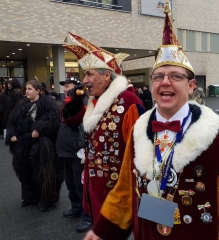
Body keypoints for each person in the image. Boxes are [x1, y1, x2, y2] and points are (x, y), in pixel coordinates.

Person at [84, 2, 219, 240]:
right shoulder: (140, 130)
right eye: (158, 76)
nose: (165, 82)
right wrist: (102, 230)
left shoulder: (214, 135)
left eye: (175, 76)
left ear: (190, 86)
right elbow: (126, 189)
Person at [63, 32, 145, 226]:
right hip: (95, 182)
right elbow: (71, 121)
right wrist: (74, 102)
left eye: (89, 74)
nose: (84, 80)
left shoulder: (129, 102)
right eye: (85, 75)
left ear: (107, 75)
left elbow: (141, 150)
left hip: (118, 188)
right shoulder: (93, 101)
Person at [6, 79, 64, 212]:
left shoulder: (48, 103)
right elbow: (12, 121)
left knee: (44, 173)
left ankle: (48, 200)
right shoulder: (21, 104)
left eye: (30, 89)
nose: (26, 91)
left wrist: (39, 128)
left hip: (42, 144)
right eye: (26, 89)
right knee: (25, 172)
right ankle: (30, 197)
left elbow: (53, 120)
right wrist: (12, 134)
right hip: (23, 143)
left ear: (38, 91)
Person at [56, 76, 92, 233]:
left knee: (81, 186)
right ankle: (76, 208)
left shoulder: (82, 102)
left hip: (77, 151)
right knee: (71, 184)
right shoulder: (68, 103)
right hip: (66, 151)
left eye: (68, 86)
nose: (64, 89)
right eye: (64, 86)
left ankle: (87, 216)